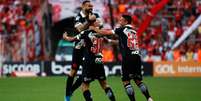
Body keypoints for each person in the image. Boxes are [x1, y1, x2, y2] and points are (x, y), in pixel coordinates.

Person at [89, 15, 153, 101]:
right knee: (138, 80)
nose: (119, 22)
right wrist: (110, 41)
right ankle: (149, 98)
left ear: (126, 22)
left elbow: (107, 33)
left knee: (126, 81)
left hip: (128, 57)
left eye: (121, 20)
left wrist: (94, 28)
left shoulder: (121, 29)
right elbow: (121, 42)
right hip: (137, 56)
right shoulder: (133, 30)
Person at [63, 19, 116, 101]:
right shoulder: (101, 33)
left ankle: (71, 94)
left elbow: (71, 40)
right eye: (97, 21)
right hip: (99, 60)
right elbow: (108, 40)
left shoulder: (85, 33)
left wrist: (65, 37)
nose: (99, 22)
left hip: (89, 61)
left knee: (84, 86)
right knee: (105, 85)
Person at [64, 0, 101, 101]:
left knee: (86, 74)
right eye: (89, 6)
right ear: (83, 6)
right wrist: (89, 22)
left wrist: (93, 24)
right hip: (79, 48)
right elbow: (80, 29)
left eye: (91, 6)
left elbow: (99, 26)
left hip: (89, 49)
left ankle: (71, 90)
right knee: (73, 72)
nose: (91, 8)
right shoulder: (78, 17)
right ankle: (67, 96)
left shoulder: (96, 14)